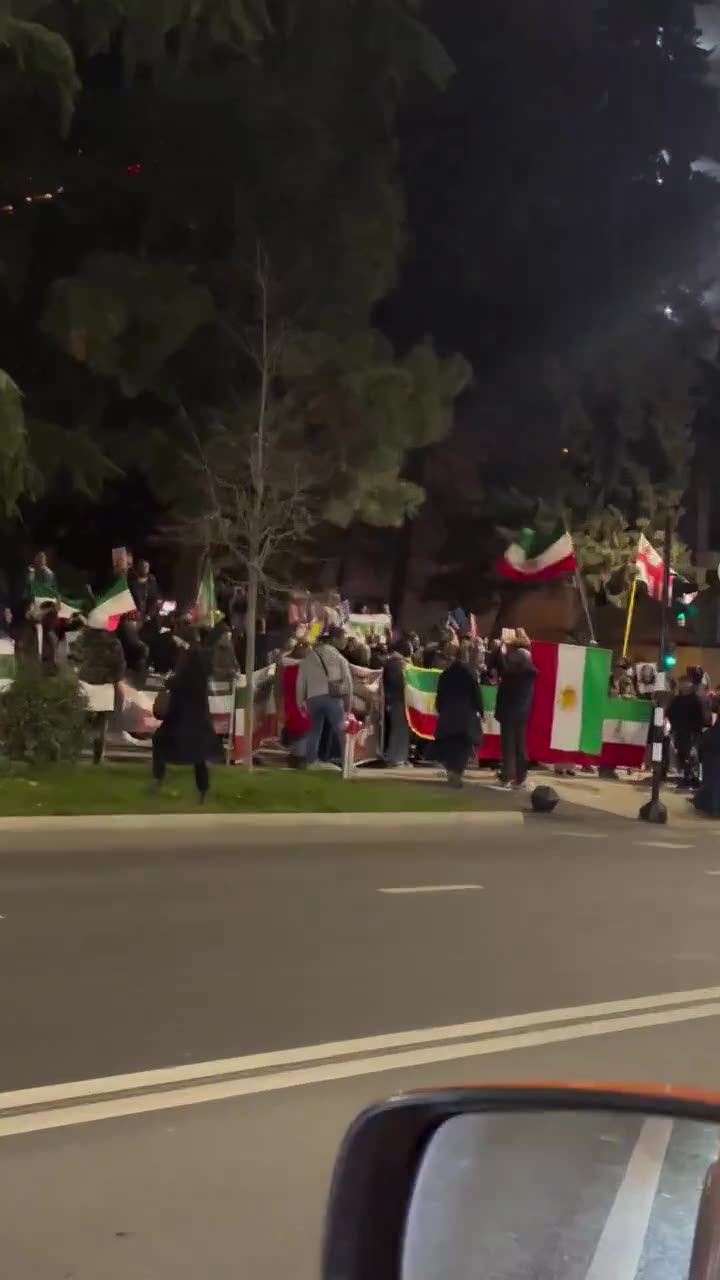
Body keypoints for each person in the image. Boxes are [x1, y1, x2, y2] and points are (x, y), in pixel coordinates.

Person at [151, 643, 216, 802]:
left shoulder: (178, 680)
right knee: (199, 759)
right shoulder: (202, 681)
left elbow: (170, 704)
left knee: (158, 741)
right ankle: (203, 790)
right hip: (199, 728)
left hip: (178, 726)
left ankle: (158, 778)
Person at [71, 618, 126, 764]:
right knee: (101, 723)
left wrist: (79, 670)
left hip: (85, 682)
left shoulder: (82, 639)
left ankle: (74, 753)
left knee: (81, 720)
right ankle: (97, 757)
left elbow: (74, 657)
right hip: (105, 686)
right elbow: (120, 666)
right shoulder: (114, 643)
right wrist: (112, 678)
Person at [296, 630, 353, 767]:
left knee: (313, 731)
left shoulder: (309, 657)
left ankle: (311, 761)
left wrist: (300, 701)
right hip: (333, 698)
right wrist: (348, 704)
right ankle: (347, 763)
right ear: (333, 640)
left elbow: (301, 680)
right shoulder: (338, 657)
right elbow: (348, 681)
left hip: (312, 698)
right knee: (340, 731)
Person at [434, 645, 485, 788]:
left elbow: (440, 695)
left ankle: (451, 771)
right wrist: (480, 711)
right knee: (463, 747)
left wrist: (440, 709)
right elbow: (476, 693)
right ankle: (457, 772)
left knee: (450, 745)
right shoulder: (470, 673)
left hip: (448, 713)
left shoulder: (446, 674)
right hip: (466, 715)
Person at [494, 631, 537, 790]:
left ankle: (507, 776)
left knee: (508, 745)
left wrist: (502, 653)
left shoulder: (516, 674)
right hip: (521, 713)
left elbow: (504, 670)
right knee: (519, 745)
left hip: (510, 711)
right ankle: (520, 778)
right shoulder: (528, 673)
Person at [668, 678, 708, 789]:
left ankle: (689, 777)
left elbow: (699, 717)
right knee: (684, 754)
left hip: (688, 732)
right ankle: (689, 777)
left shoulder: (692, 700)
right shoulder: (684, 700)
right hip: (684, 731)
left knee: (688, 754)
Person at [383, 638, 414, 767]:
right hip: (399, 700)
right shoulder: (397, 664)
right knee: (399, 729)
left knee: (402, 729)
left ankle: (401, 757)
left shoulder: (396, 662)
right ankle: (396, 758)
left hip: (399, 700)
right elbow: (399, 682)